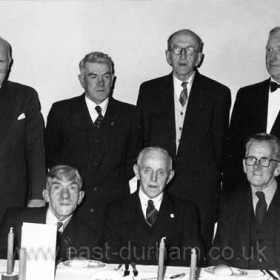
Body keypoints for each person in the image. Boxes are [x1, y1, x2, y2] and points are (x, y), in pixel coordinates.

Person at [137, 29, 231, 249]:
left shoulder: (218, 93)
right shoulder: (149, 90)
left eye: (190, 50)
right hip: (159, 188)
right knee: (154, 251)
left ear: (199, 57)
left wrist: (216, 196)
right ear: (168, 55)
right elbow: (142, 141)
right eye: (177, 49)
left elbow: (220, 150)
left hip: (201, 195)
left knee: (194, 254)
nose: (182, 56)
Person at [45, 52, 142, 236]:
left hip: (114, 210)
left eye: (106, 76)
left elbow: (133, 162)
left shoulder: (130, 115)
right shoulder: (61, 112)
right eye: (93, 76)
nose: (101, 83)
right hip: (73, 209)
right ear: (82, 80)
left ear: (113, 79)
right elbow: (53, 159)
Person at [101, 147, 205, 266]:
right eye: (147, 170)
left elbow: (194, 259)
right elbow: (109, 257)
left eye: (160, 172)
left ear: (170, 177)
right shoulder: (116, 209)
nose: (153, 178)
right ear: (136, 172)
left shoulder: (186, 211)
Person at [223, 26, 280, 193]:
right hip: (245, 198)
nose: (272, 56)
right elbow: (232, 152)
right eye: (269, 49)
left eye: (279, 49)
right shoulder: (247, 95)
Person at [211, 133, 280, 269]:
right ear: (244, 165)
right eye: (251, 159)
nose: (256, 166)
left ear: (277, 168)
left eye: (264, 160)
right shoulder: (230, 202)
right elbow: (218, 254)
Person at [0, 165, 97, 261]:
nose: (65, 195)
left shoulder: (89, 238)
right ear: (46, 195)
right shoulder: (16, 220)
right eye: (57, 188)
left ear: (80, 197)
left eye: (72, 188)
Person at [0, 36, 46, 222]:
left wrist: (37, 195)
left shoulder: (25, 96)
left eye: (0, 60)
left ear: (9, 63)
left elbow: (36, 150)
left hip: (13, 199)